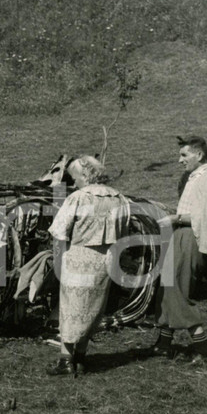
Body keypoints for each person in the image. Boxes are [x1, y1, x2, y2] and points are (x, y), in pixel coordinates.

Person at [46, 156, 130, 376]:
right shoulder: (119, 198)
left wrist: (60, 257)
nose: (74, 183)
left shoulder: (78, 198)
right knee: (92, 309)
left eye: (75, 178)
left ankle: (65, 360)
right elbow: (125, 232)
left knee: (71, 308)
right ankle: (81, 358)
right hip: (106, 260)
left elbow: (59, 230)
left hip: (79, 257)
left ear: (85, 176)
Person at [153, 135, 207, 364]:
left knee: (177, 291)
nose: (179, 160)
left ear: (199, 155)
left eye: (184, 155)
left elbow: (205, 217)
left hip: (189, 237)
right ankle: (163, 345)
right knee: (166, 286)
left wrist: (175, 218)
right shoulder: (194, 177)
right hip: (179, 234)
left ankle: (205, 351)